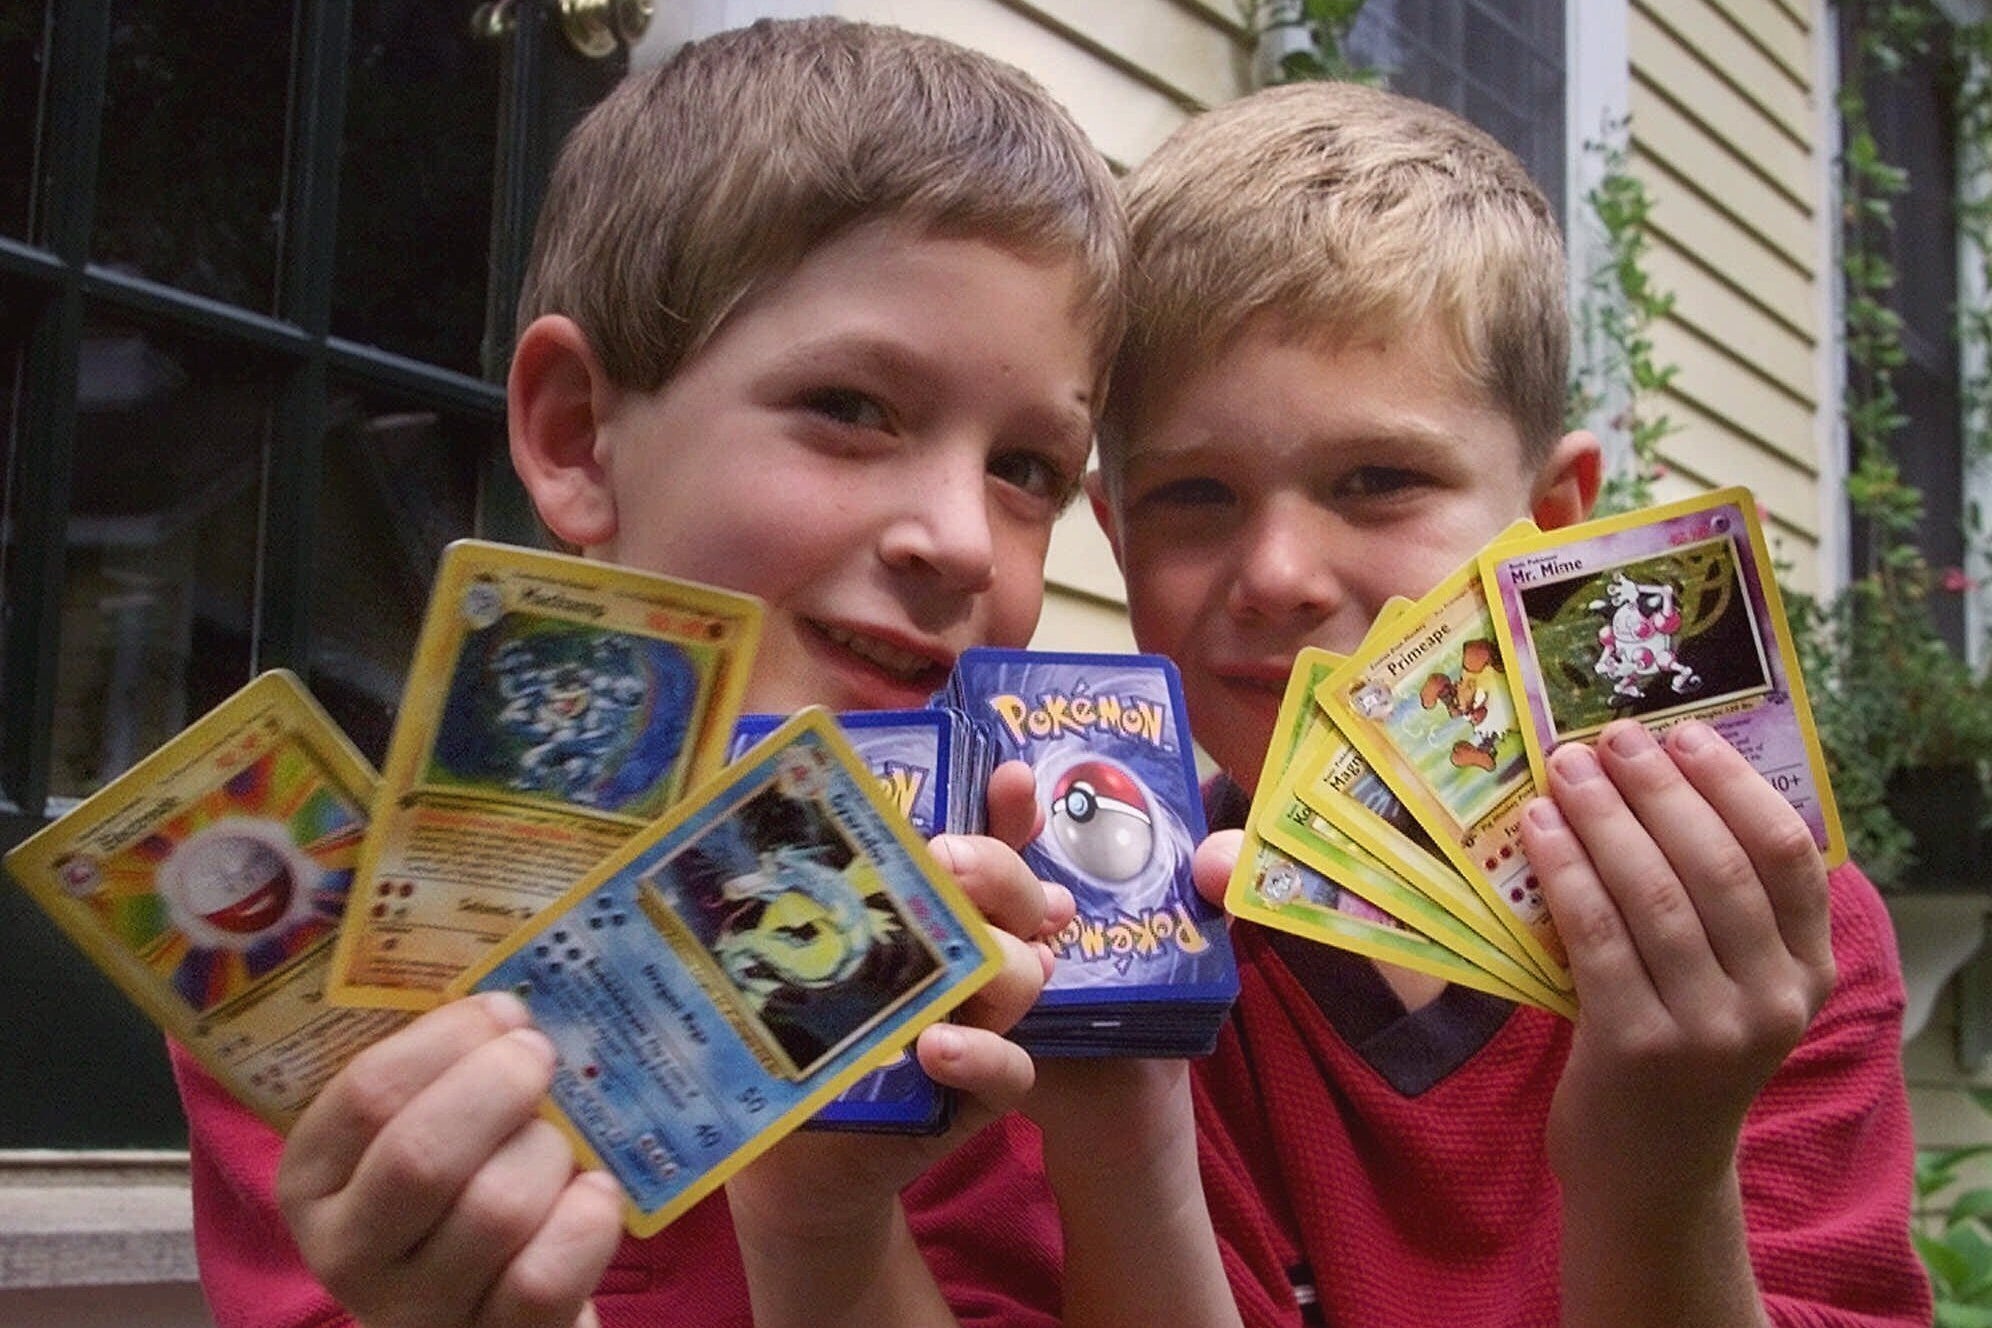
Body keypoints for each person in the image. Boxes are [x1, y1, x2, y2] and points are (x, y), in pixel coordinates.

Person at [170, 18, 1236, 1328]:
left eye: (1026, 471)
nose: (962, 540)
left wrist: (831, 1221)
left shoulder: (1003, 940)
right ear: (575, 436)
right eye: (851, 407)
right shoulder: (321, 948)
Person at [1039, 78, 1926, 1326]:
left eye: (1378, 479)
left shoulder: (1771, 930)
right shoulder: (1121, 939)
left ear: (1552, 521)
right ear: (1116, 532)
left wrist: (1659, 1177)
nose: (1279, 575)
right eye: (1195, 495)